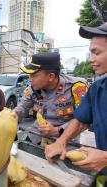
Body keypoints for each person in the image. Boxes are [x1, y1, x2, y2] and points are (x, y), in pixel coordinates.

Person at [45, 23, 107, 175]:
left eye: (96, 52)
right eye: (90, 53)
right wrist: (60, 142)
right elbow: (80, 121)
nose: (91, 60)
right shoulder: (97, 89)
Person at [13, 52, 88, 144]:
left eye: (34, 75)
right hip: (37, 134)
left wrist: (56, 131)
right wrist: (15, 114)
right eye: (29, 75)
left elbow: (84, 120)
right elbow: (23, 107)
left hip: (66, 139)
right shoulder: (32, 89)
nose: (30, 79)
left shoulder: (77, 87)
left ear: (51, 76)